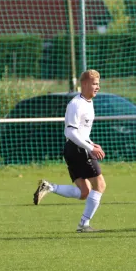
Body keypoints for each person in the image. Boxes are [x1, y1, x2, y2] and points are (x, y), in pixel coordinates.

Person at [33, 69, 107, 233]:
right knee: (100, 185)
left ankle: (50, 187)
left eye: (98, 84)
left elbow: (81, 132)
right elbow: (70, 132)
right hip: (78, 149)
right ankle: (84, 224)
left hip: (75, 149)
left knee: (84, 192)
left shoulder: (88, 102)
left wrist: (93, 144)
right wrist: (90, 148)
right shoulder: (76, 104)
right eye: (95, 84)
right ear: (84, 84)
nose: (98, 87)